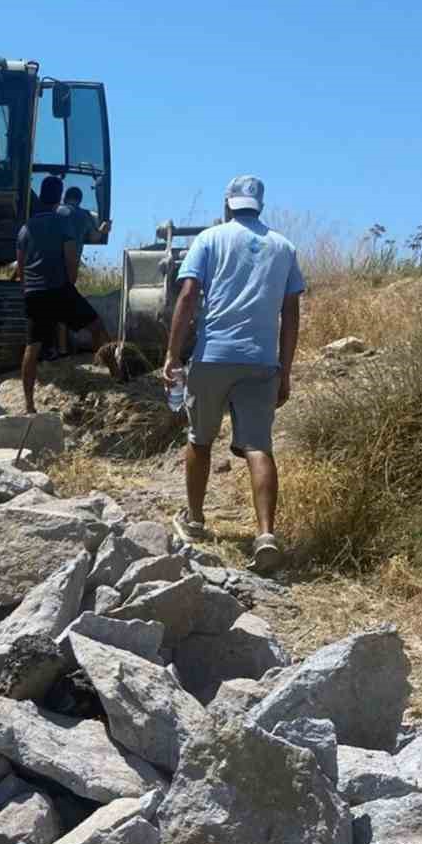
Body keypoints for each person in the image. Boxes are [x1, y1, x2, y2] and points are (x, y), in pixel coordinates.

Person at [163, 174, 305, 573]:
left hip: (212, 356)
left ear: (228, 205)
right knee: (259, 446)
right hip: (261, 362)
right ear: (260, 207)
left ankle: (194, 518)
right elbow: (290, 313)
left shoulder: (209, 240)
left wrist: (173, 355)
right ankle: (265, 534)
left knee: (200, 439)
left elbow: (189, 296)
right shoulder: (285, 247)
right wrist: (286, 370)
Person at [16, 175, 107, 413]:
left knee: (32, 347)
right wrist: (71, 282)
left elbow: (20, 264)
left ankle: (28, 404)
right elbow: (70, 256)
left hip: (34, 292)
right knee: (98, 328)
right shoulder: (62, 223)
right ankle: (118, 377)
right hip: (59, 288)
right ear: (58, 197)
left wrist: (27, 289)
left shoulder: (26, 227)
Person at [56, 186, 111, 352]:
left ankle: (59, 347)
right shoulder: (84, 215)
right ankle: (63, 348)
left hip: (49, 263)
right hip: (71, 266)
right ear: (79, 199)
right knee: (64, 304)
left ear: (65, 197)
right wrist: (103, 229)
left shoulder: (56, 211)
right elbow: (94, 237)